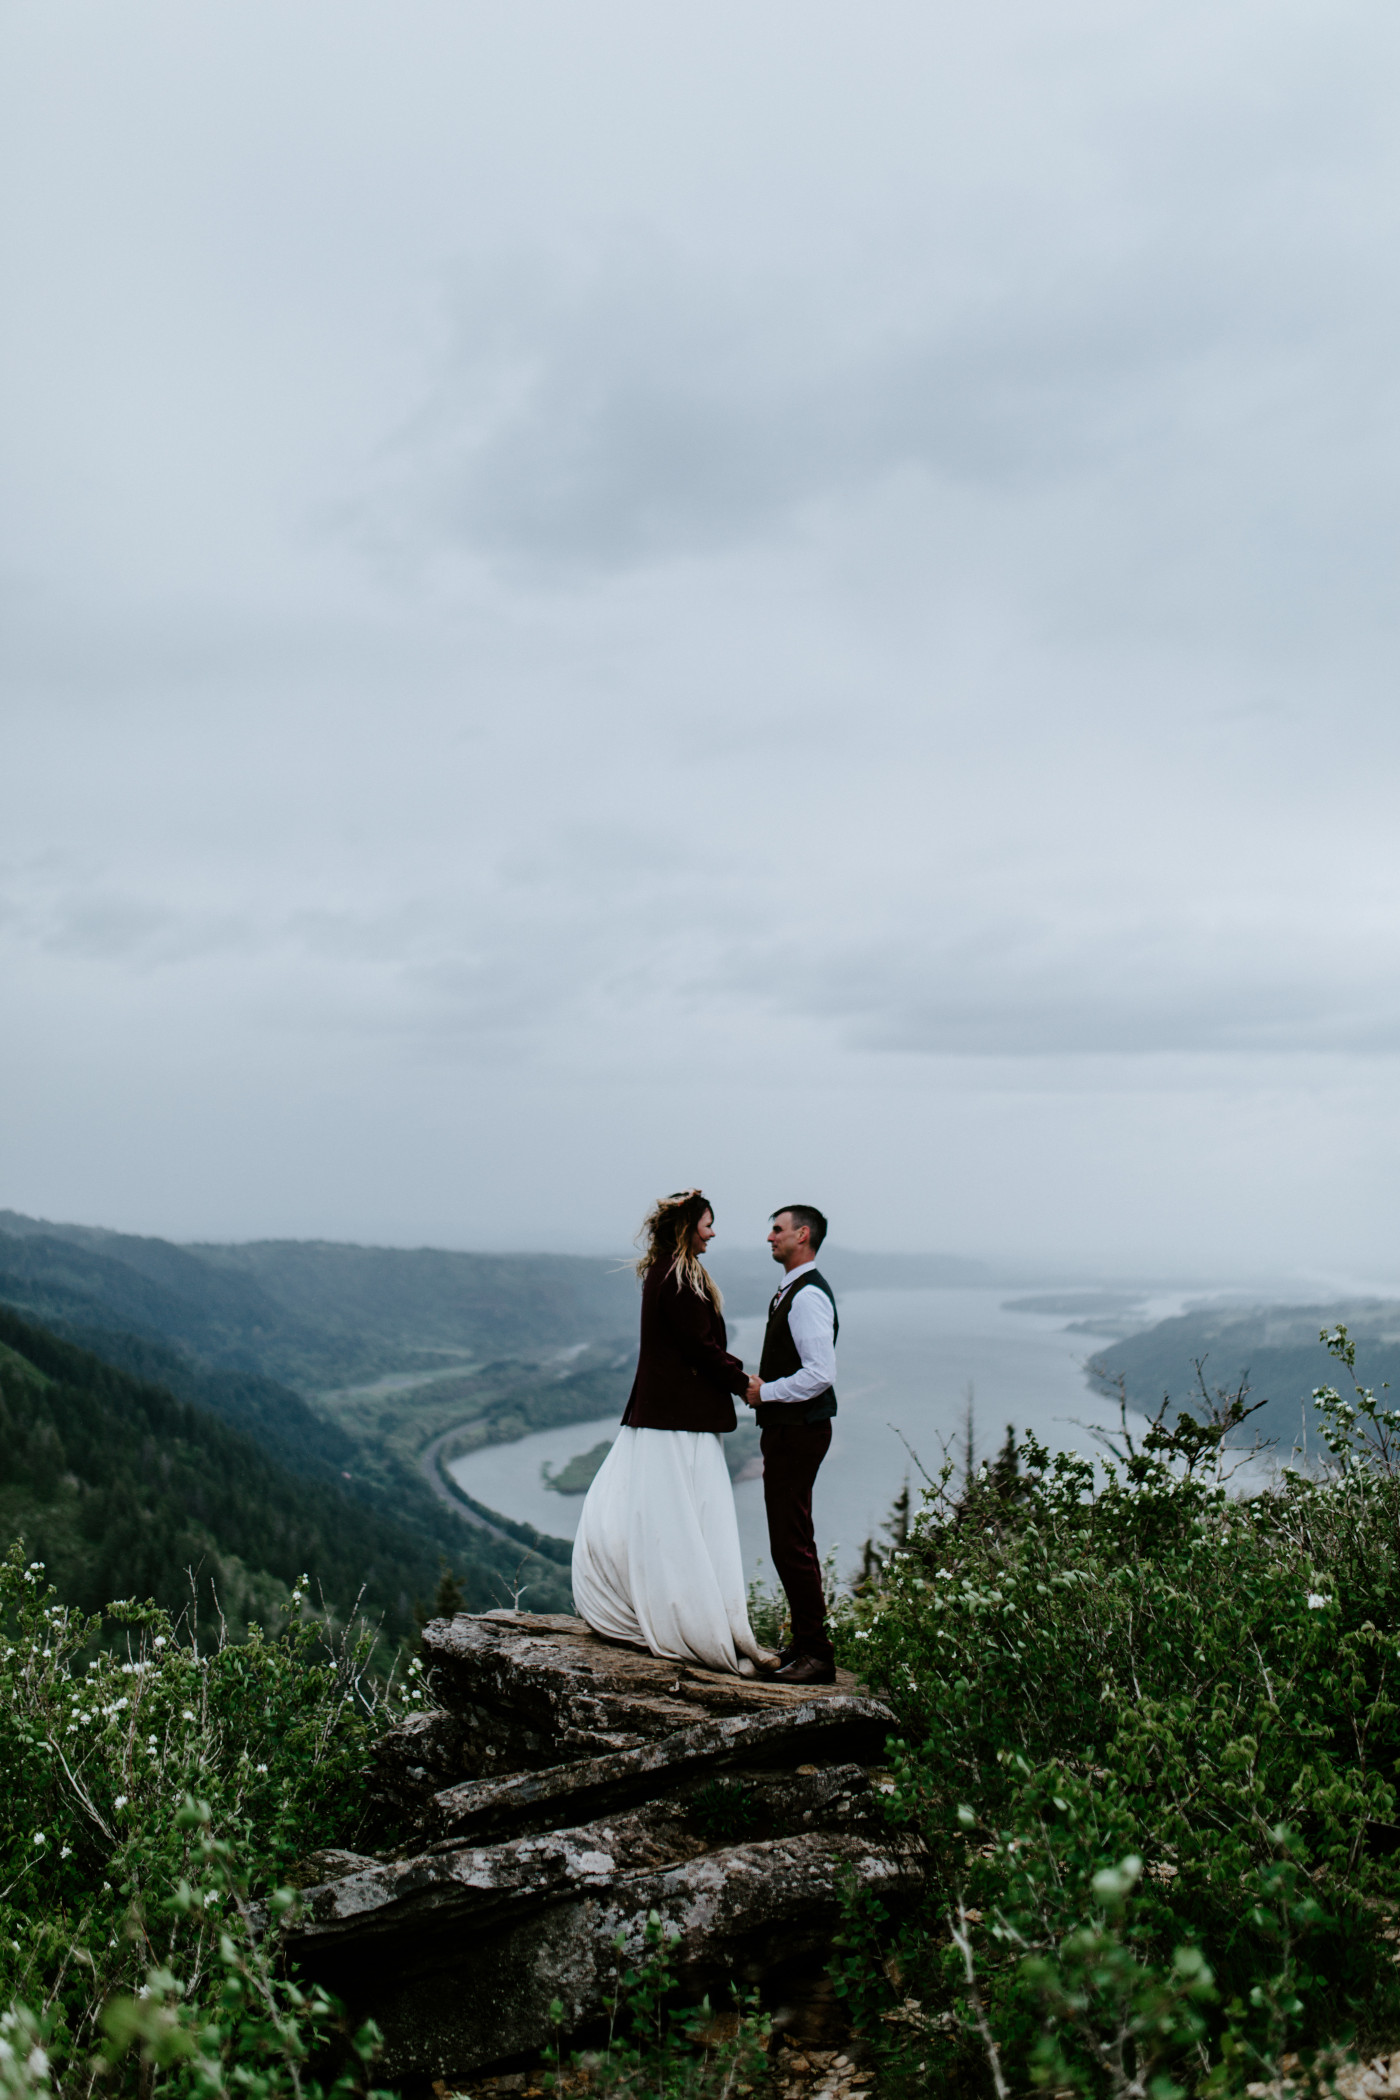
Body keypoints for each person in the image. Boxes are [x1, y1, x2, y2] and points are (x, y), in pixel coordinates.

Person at [572, 1190, 772, 1675]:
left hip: (664, 1416)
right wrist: (744, 1383)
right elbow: (701, 1348)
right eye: (708, 1222)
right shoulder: (679, 1277)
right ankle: (702, 1631)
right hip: (680, 1422)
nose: (713, 1231)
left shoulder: (663, 1272)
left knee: (668, 1518)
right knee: (687, 1521)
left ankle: (694, 1620)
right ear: (688, 1227)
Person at [743, 1205, 838, 1686]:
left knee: (791, 1539)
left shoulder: (807, 1297)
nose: (769, 1238)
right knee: (791, 1537)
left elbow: (821, 1375)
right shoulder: (792, 1292)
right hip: (793, 1428)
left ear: (802, 1235)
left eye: (777, 1230)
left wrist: (767, 1392)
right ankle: (805, 1644)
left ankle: (817, 1655)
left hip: (799, 1428)